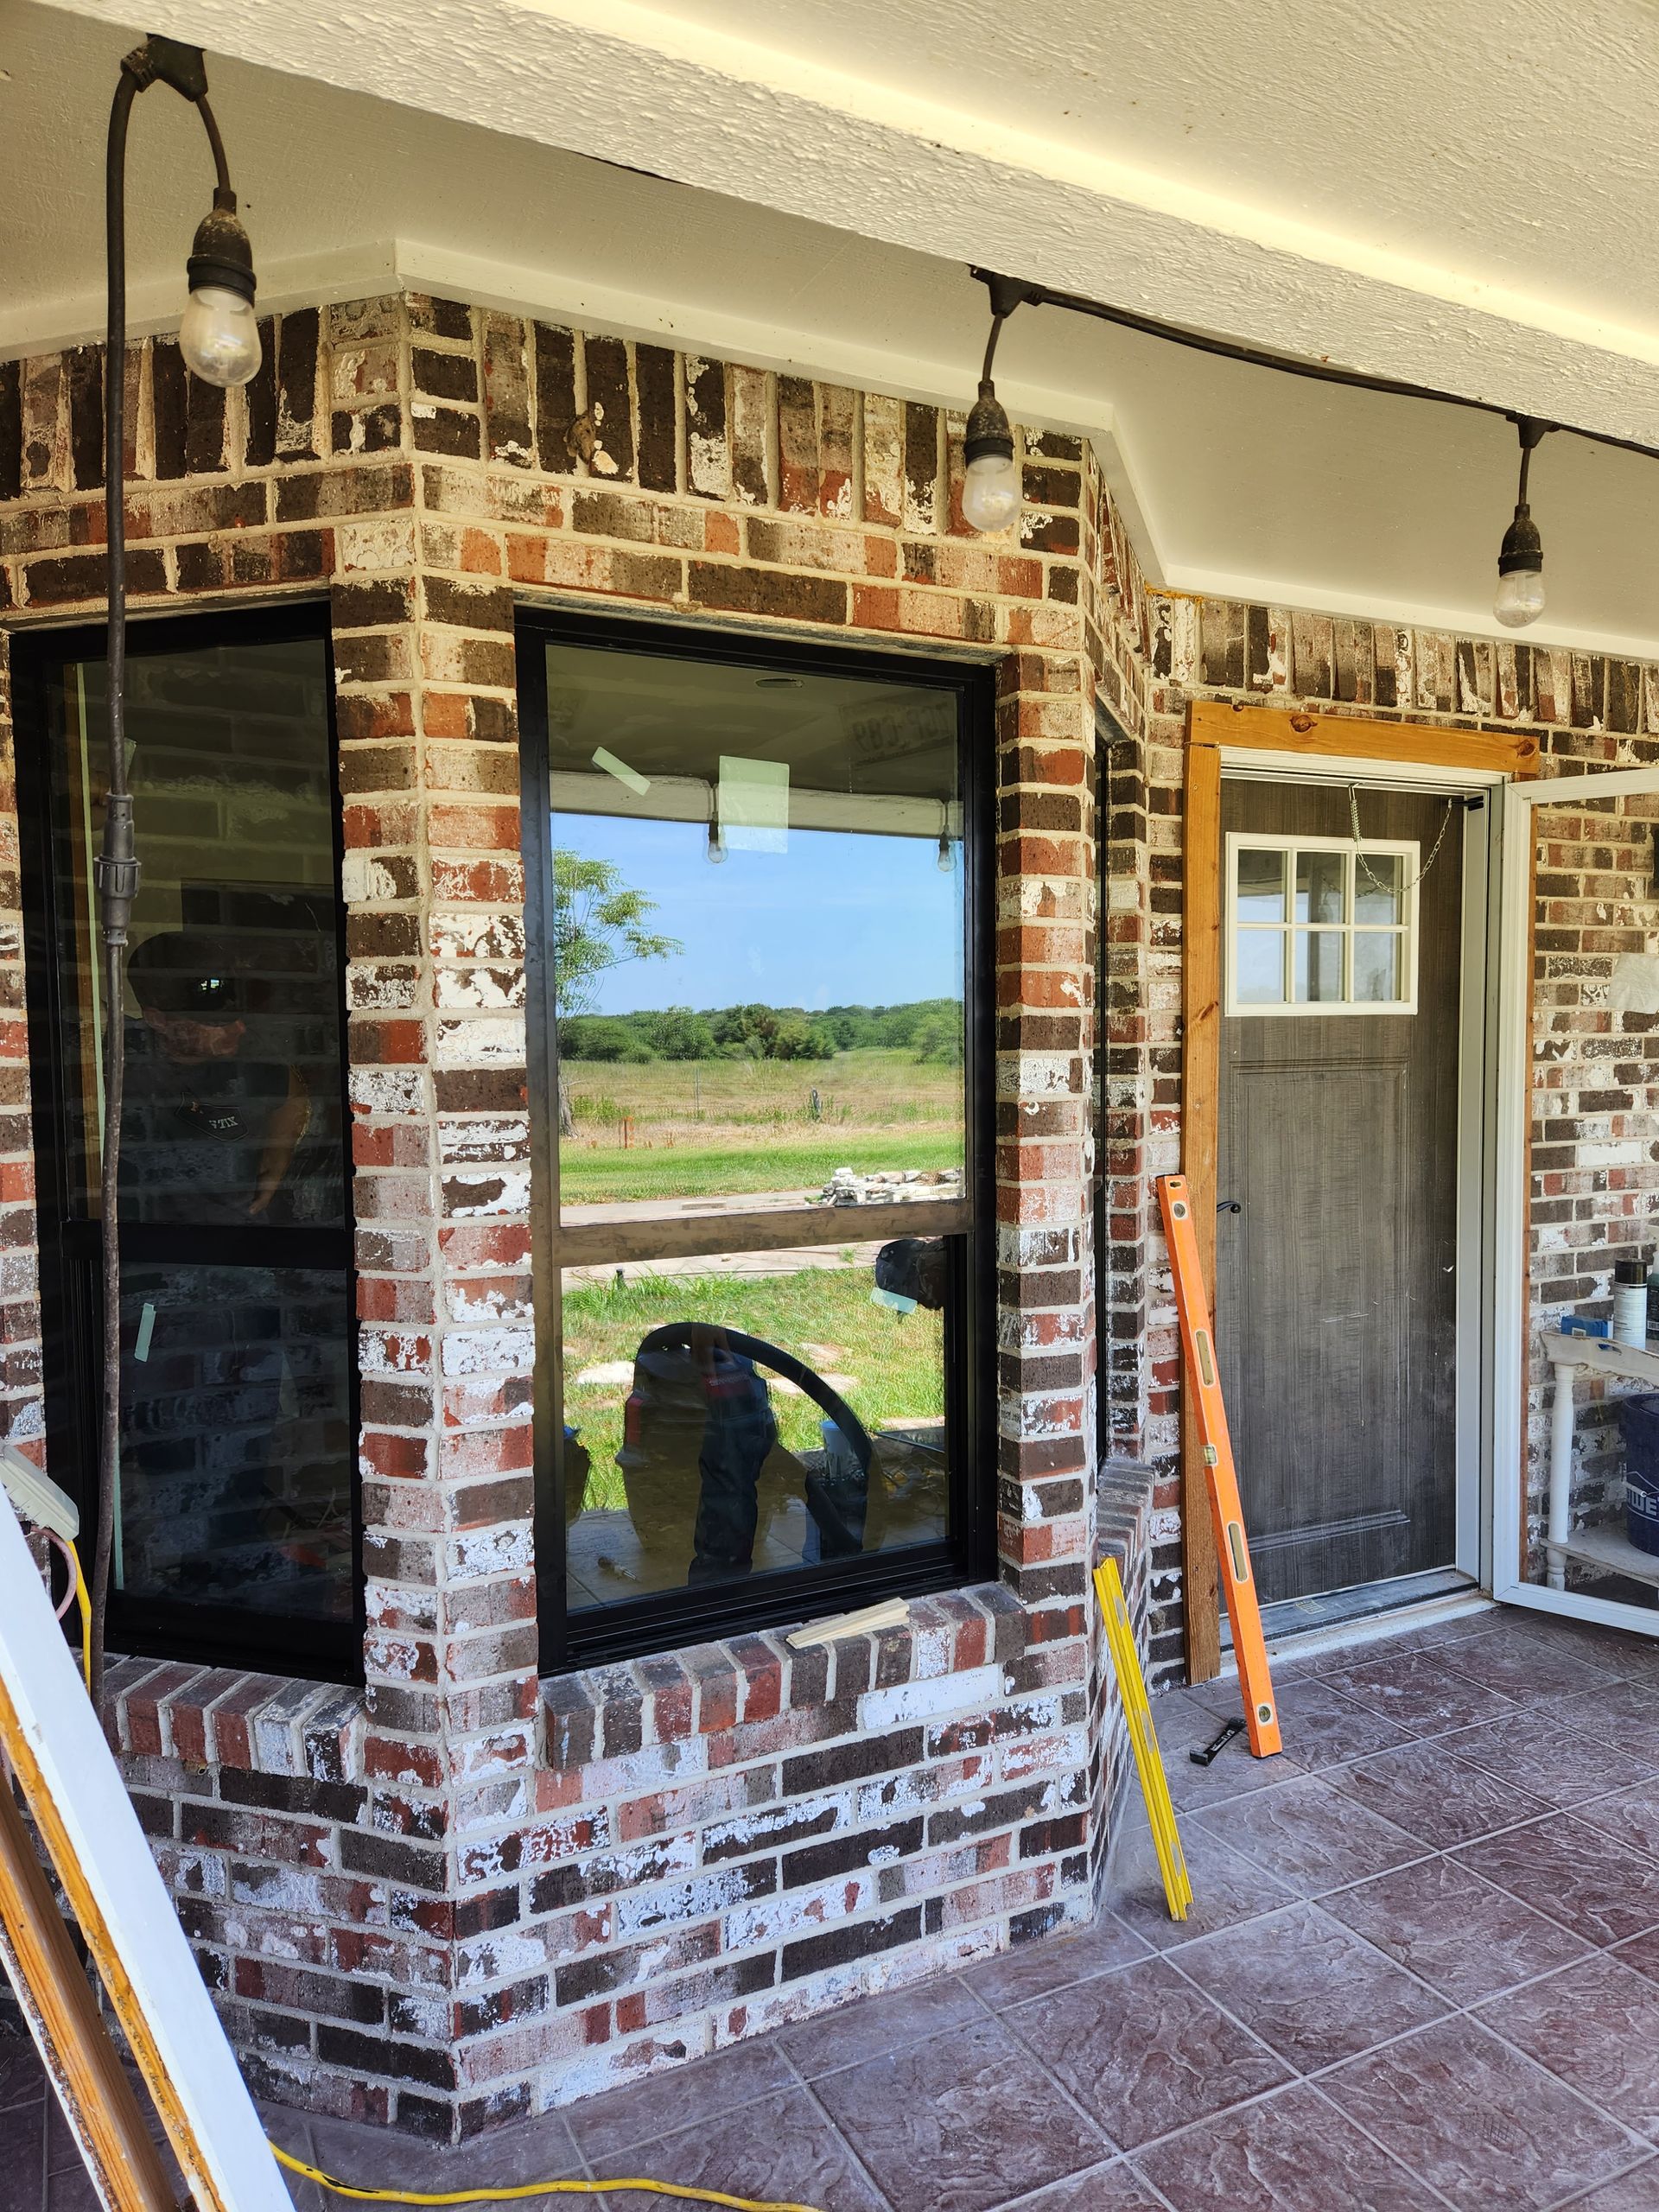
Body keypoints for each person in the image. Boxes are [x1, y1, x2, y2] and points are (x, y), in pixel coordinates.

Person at [121, 930, 309, 1223]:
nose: (238, 1029)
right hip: (150, 1243)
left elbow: (292, 1092)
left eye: (236, 1017)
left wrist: (277, 1155)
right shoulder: (118, 1059)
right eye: (215, 1023)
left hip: (237, 1238)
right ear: (157, 1019)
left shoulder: (249, 1059)